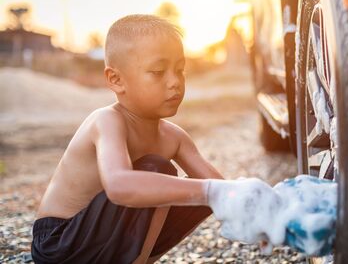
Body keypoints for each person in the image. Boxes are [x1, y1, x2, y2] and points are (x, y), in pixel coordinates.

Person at [31, 14, 278, 264]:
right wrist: (209, 191)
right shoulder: (106, 120)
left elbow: (221, 188)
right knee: (160, 170)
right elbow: (119, 186)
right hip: (60, 244)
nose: (175, 82)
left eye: (180, 70)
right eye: (158, 72)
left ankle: (143, 259)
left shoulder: (174, 137)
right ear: (116, 80)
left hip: (104, 243)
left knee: (206, 193)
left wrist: (263, 219)